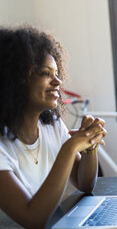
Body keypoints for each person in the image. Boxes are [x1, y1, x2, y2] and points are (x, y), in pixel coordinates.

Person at [0, 25, 107, 228]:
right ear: (15, 80)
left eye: (57, 73)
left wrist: (89, 144)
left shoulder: (51, 126)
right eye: (45, 73)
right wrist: (70, 147)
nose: (57, 81)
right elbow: (33, 219)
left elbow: (85, 183)